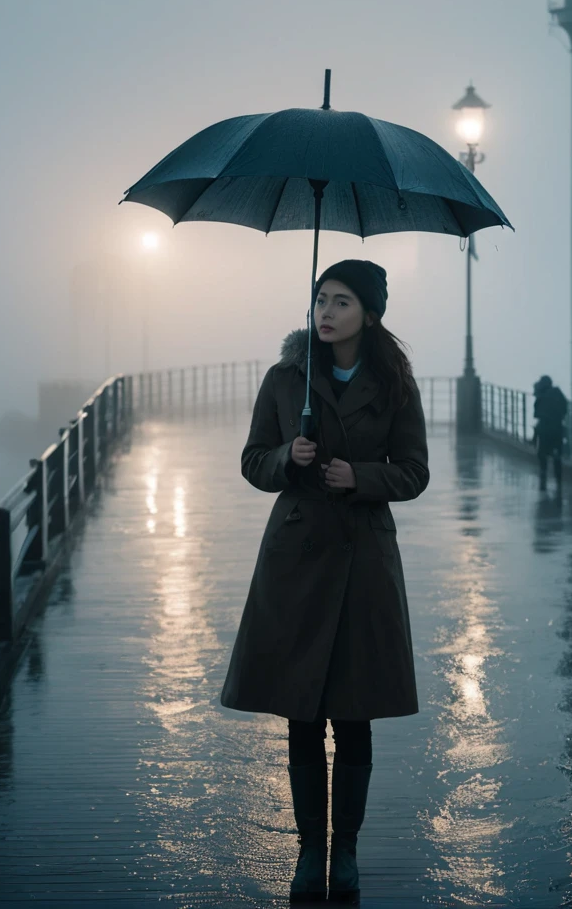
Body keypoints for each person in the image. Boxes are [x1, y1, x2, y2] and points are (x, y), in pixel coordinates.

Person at [219, 259, 429, 903]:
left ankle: (347, 852)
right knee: (302, 712)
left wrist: (359, 478)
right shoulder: (288, 378)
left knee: (355, 713)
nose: (326, 312)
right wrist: (290, 458)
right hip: (298, 562)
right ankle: (311, 848)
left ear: (370, 313)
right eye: (320, 299)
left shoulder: (394, 382)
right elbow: (254, 460)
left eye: (341, 302)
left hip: (363, 561)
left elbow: (415, 471)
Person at [533, 375, 567, 493]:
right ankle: (559, 482)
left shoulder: (542, 396)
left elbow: (536, 413)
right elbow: (565, 409)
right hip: (558, 429)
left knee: (543, 455)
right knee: (557, 456)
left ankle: (543, 482)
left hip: (544, 430)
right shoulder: (558, 393)